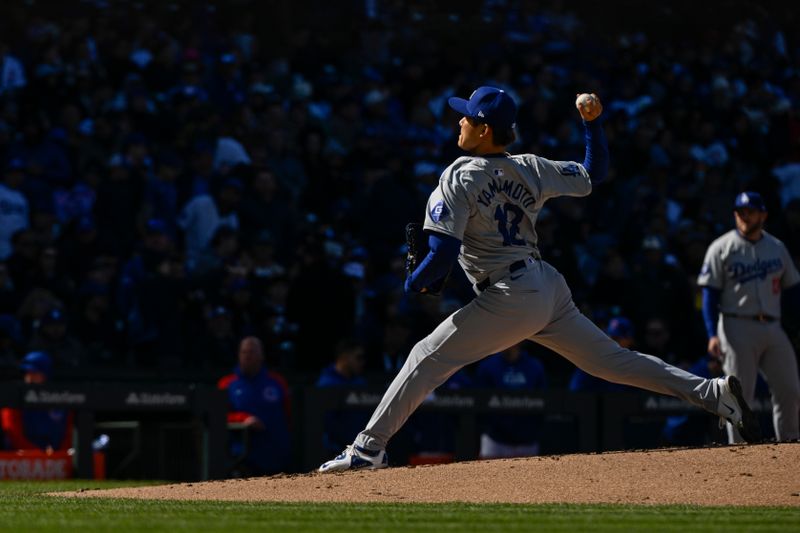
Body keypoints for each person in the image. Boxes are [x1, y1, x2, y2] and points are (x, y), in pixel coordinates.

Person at [319, 86, 760, 473]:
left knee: (425, 356)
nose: (460, 120)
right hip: (546, 285)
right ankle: (714, 393)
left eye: (467, 116)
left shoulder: (459, 174)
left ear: (485, 129)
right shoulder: (530, 166)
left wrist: (415, 282)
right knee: (611, 361)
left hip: (510, 293)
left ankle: (367, 449)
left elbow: (443, 255)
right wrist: (593, 123)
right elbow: (594, 173)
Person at [698, 191, 800, 443]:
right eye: (740, 212)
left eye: (750, 211)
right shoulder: (721, 247)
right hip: (736, 326)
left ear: (763, 214)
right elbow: (709, 295)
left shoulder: (776, 247)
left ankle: (789, 442)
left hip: (773, 326)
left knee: (790, 389)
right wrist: (712, 334)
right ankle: (740, 449)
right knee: (739, 394)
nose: (744, 216)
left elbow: (793, 291)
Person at [217, 336, 291, 475]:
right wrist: (243, 418)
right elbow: (218, 416)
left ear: (261, 355)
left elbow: (289, 413)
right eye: (244, 352)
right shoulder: (227, 383)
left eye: (252, 352)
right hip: (242, 456)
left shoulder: (277, 382)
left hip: (276, 453)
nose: (247, 356)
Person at [476, 342, 547, 459]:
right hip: (495, 439)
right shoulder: (488, 366)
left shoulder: (535, 366)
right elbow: (478, 403)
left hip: (527, 441)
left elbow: (546, 402)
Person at [1, 351, 73, 451]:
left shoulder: (60, 398)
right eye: (27, 372)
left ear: (46, 374)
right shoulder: (14, 397)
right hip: (22, 459)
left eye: (35, 373)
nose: (29, 377)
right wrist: (39, 455)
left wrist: (59, 455)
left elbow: (69, 434)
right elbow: (13, 434)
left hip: (57, 458)